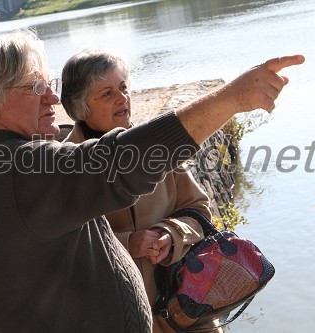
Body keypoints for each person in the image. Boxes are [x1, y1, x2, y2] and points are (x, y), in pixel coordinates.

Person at [0, 28, 304, 333]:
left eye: (49, 84)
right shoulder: (17, 165)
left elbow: (195, 208)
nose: (52, 97)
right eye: (35, 87)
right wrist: (230, 99)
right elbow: (118, 160)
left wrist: (171, 233)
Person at [60, 50, 223, 333]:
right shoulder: (64, 165)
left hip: (186, 306)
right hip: (119, 318)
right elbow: (61, 249)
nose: (123, 99)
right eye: (108, 93)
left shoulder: (157, 147)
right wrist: (127, 243)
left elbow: (198, 208)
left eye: (124, 88)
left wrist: (170, 234)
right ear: (80, 107)